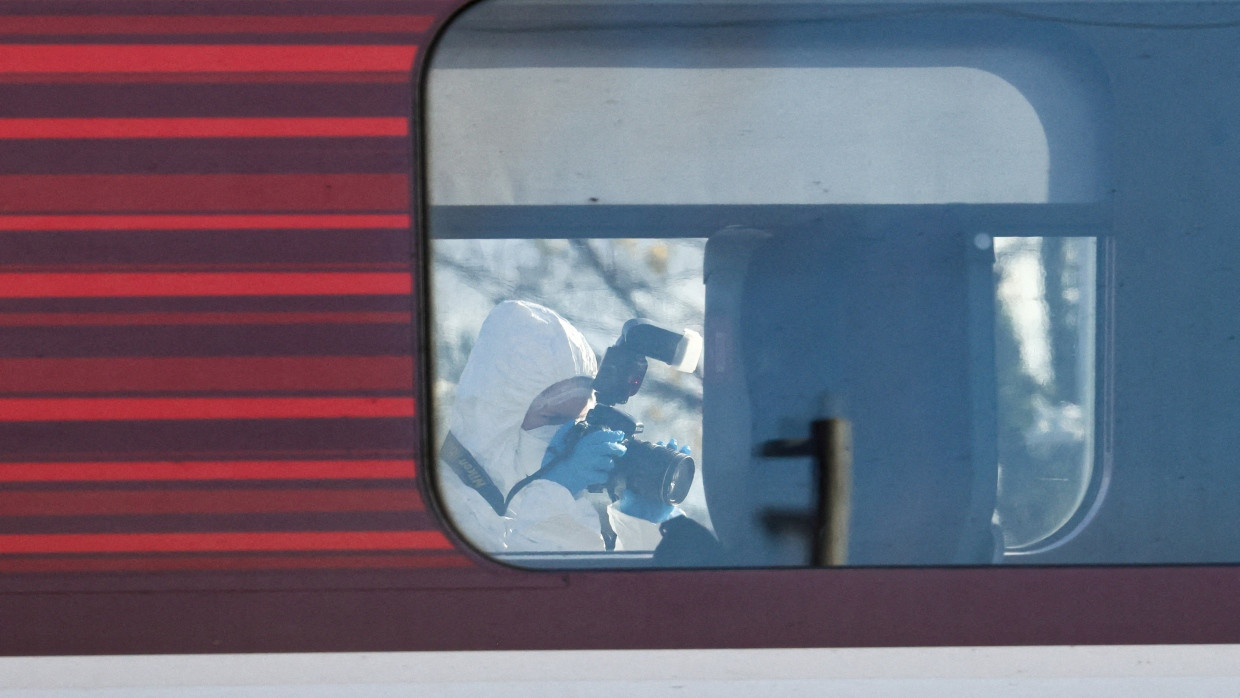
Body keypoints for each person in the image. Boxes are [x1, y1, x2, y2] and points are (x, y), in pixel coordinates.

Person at [437, 300, 681, 553]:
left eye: (579, 423)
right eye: (553, 419)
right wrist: (556, 496)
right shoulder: (442, 510)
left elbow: (617, 592)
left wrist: (643, 529)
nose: (568, 437)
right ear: (497, 416)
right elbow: (551, 586)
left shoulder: (526, 507)